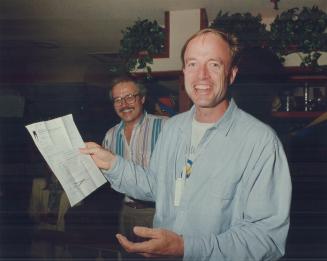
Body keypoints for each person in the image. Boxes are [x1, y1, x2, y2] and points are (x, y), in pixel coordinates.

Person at [81, 28, 292, 260]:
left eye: (214, 64)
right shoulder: (172, 128)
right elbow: (155, 185)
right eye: (192, 64)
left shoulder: (260, 141)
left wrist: (185, 247)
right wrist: (111, 164)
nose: (201, 75)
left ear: (231, 74)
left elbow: (265, 239)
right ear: (184, 72)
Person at [102, 76, 167, 244]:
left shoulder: (166, 127)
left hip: (158, 211)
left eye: (129, 97)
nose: (124, 104)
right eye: (118, 100)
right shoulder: (110, 135)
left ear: (142, 98)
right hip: (126, 212)